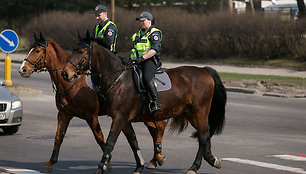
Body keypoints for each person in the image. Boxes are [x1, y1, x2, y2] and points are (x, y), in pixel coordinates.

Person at [130, 11, 162, 113]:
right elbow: (134, 49)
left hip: (150, 61)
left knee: (147, 77)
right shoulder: (138, 34)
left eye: (143, 20)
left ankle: (155, 102)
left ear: (150, 20)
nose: (141, 22)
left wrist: (142, 58)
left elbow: (154, 50)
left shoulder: (155, 33)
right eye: (140, 21)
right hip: (138, 61)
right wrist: (132, 59)